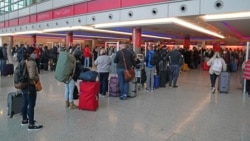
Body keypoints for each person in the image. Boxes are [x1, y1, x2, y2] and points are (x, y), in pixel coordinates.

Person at [21, 47, 43, 131]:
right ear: (30, 54)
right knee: (31, 105)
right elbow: (32, 76)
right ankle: (31, 124)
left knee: (24, 103)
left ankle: (24, 120)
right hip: (30, 86)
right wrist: (37, 78)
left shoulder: (23, 61)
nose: (35, 54)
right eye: (34, 52)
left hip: (24, 85)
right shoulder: (32, 62)